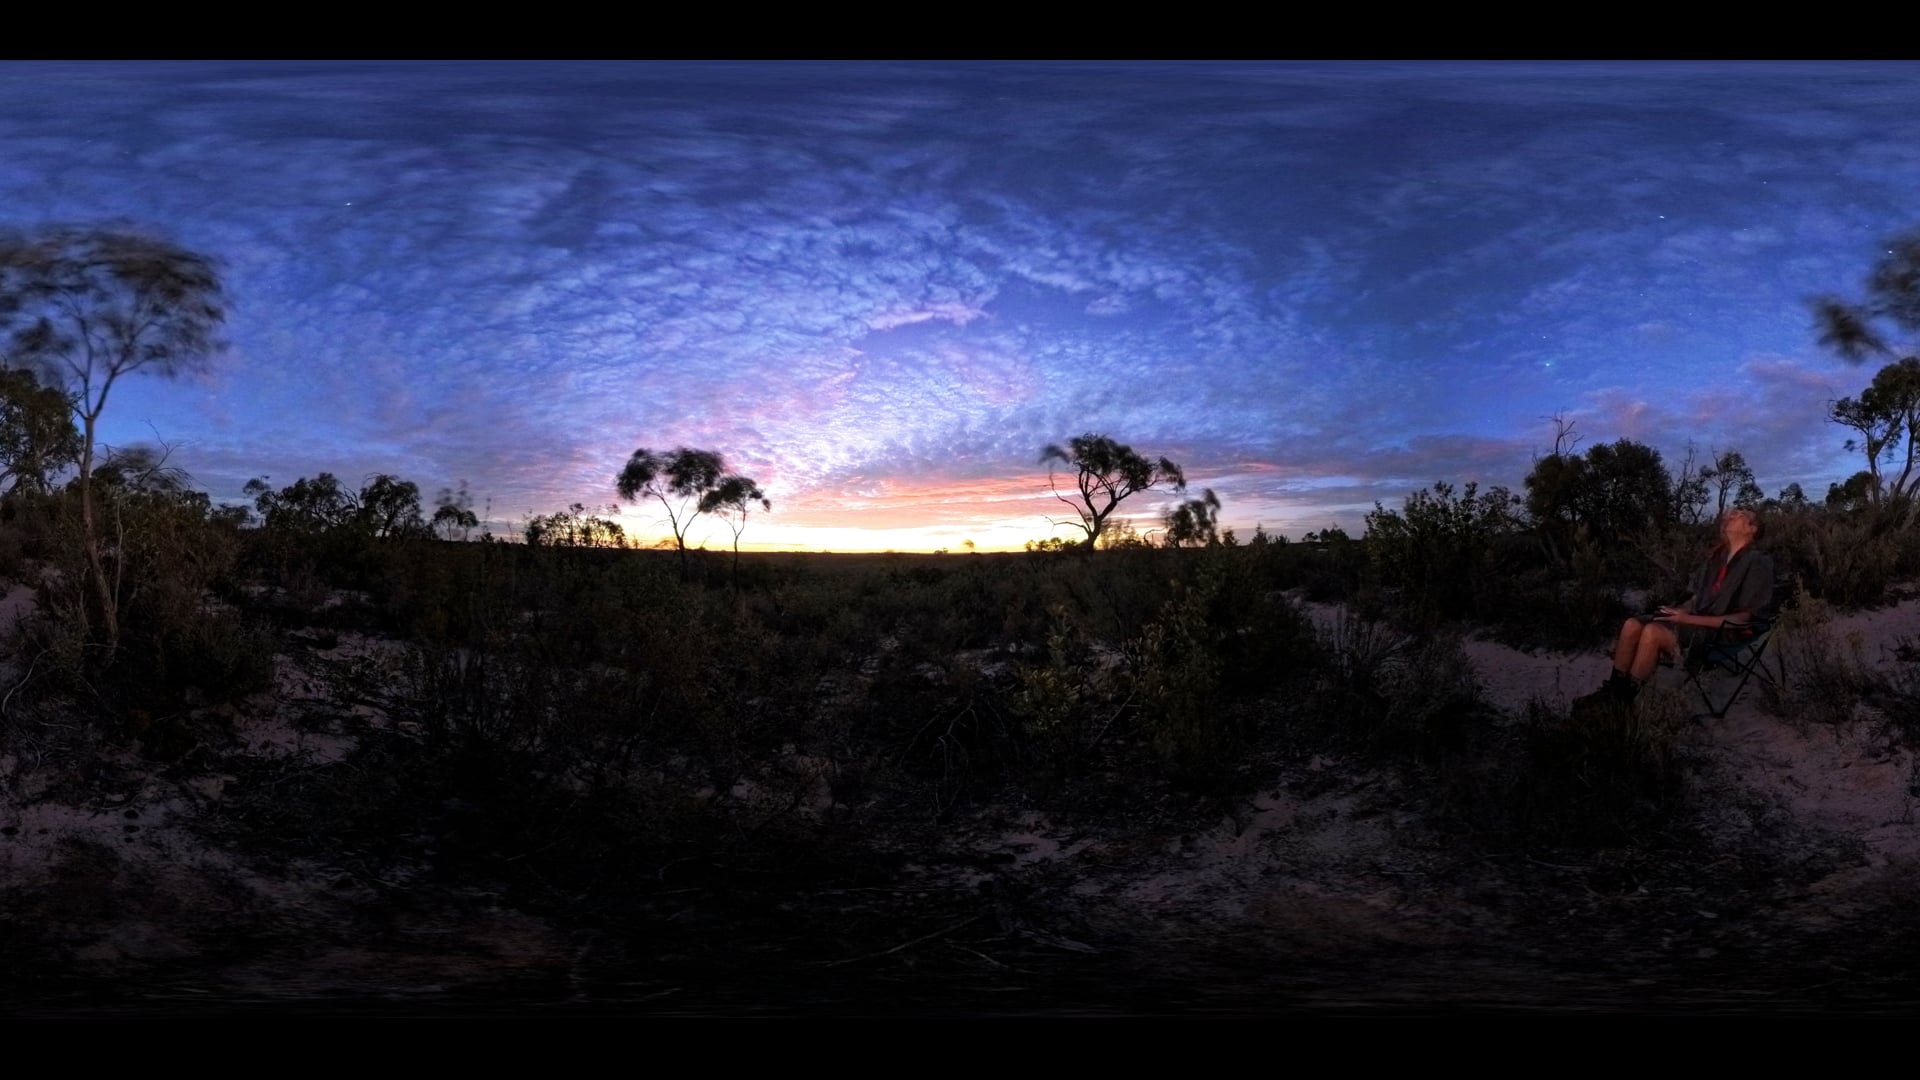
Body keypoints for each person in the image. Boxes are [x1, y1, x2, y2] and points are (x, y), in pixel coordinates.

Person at [1592, 508, 1773, 707]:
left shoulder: (1758, 562)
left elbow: (1742, 619)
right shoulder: (1717, 557)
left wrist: (1687, 619)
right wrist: (1683, 610)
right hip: (1696, 620)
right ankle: (1612, 691)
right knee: (1632, 624)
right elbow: (1696, 597)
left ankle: (1622, 702)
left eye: (1739, 514)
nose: (1730, 514)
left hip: (1721, 633)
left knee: (1653, 632)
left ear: (1751, 528)